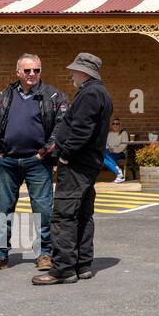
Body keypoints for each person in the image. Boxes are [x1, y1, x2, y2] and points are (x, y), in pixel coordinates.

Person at [0, 53, 68, 275]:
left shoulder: (54, 96)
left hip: (38, 162)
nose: (32, 74)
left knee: (43, 210)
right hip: (7, 161)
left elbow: (61, 128)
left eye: (36, 70)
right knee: (2, 209)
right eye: (27, 70)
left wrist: (43, 154)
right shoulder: (5, 95)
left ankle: (44, 254)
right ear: (18, 72)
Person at [33, 53, 113, 286]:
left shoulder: (89, 93)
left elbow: (81, 130)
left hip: (77, 165)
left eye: (74, 71)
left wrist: (66, 154)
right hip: (88, 165)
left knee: (64, 216)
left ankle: (63, 269)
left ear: (84, 72)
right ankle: (82, 265)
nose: (72, 75)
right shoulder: (100, 93)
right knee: (83, 215)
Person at [105, 116, 130, 183]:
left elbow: (124, 145)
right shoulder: (109, 134)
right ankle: (119, 174)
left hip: (120, 153)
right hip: (109, 152)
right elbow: (106, 144)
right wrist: (109, 148)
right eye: (113, 123)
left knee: (103, 157)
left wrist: (114, 150)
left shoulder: (123, 133)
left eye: (117, 124)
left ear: (120, 125)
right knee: (103, 157)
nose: (115, 125)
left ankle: (118, 173)